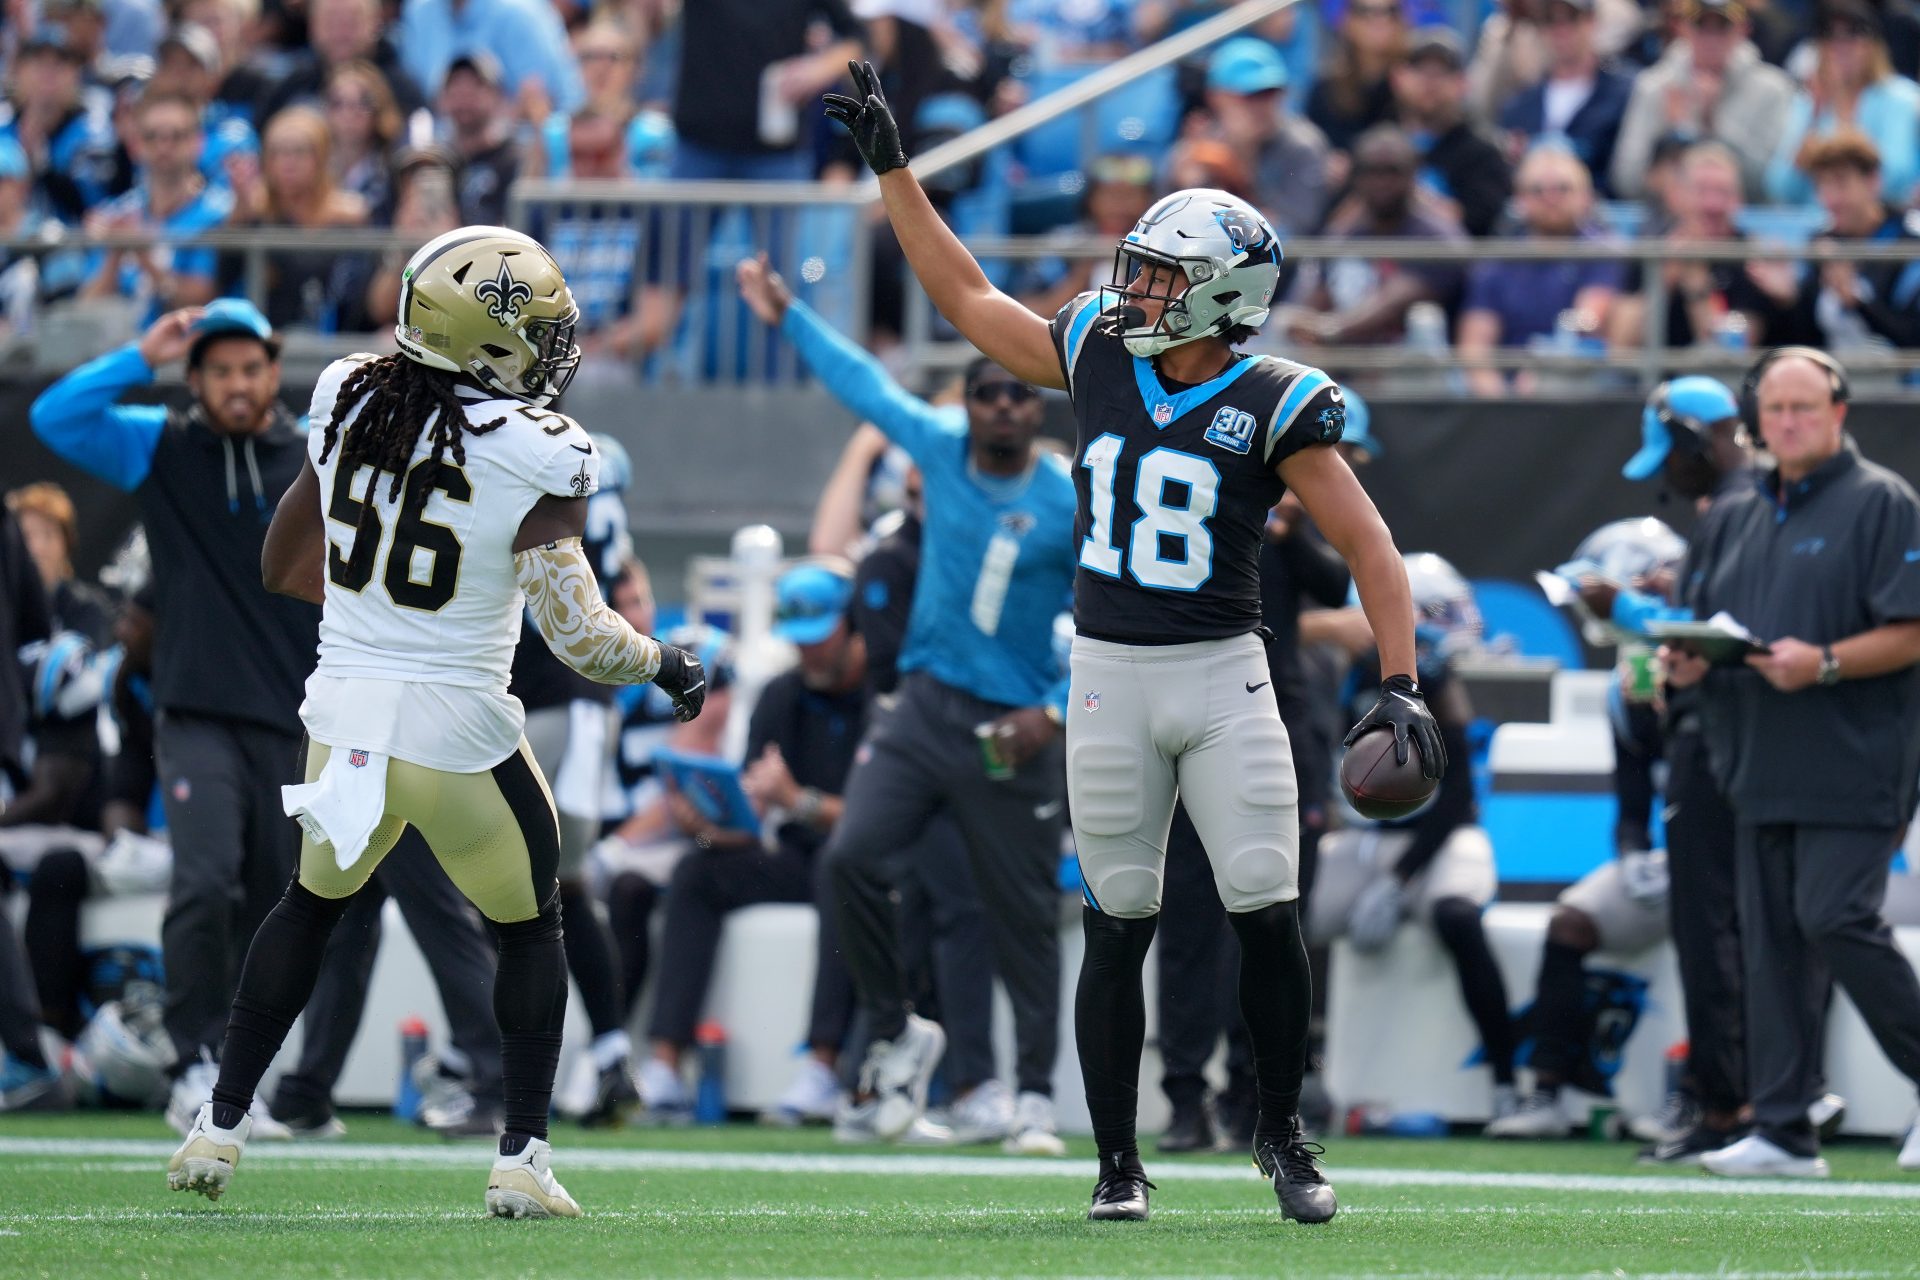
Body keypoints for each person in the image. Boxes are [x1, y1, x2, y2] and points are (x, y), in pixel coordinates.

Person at [824, 60, 1440, 1223]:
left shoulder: (1275, 399)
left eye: (1163, 275)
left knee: (1264, 901)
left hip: (1221, 673)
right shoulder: (1100, 346)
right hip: (1106, 674)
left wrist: (1400, 679)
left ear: (1223, 296)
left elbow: (1372, 547)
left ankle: (1281, 1129)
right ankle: (1117, 1159)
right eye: (1141, 271)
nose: (1137, 289)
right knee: (1117, 919)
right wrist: (898, 173)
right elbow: (966, 300)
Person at [163, 226, 706, 1215]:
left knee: (309, 904)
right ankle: (522, 1156)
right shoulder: (544, 450)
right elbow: (581, 635)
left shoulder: (345, 393)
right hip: (460, 729)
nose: (550, 351)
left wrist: (385, 622)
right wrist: (667, 662)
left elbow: (284, 565)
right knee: (530, 927)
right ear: (483, 339)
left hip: (342, 714)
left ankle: (221, 1121)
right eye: (534, 332)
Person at [739, 251, 1078, 1155]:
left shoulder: (1072, 500)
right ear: (965, 405)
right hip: (925, 707)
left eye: (1017, 393)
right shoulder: (938, 448)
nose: (1002, 406)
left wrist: (1059, 708)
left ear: (1039, 407)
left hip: (1016, 727)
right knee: (849, 859)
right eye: (985, 393)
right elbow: (863, 384)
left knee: (1021, 916)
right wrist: (789, 318)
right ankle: (894, 1032)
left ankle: (1035, 1092)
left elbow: (1120, 616)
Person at [29, 300, 313, 1135]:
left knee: (274, 901)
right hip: (193, 714)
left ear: (272, 372)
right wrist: (137, 354)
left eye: (250, 368)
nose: (236, 384)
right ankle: (194, 1063)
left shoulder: (311, 457)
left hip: (295, 717)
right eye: (218, 370)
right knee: (203, 883)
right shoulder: (161, 443)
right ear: (193, 380)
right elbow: (55, 416)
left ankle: (239, 1074)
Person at [1670, 347, 1920, 1177]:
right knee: (1773, 941)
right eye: (1774, 410)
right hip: (1756, 758)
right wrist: (1688, 661)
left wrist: (1828, 662)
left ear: (1840, 411)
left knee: (1833, 918)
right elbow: (1710, 624)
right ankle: (1782, 1129)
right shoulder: (1739, 512)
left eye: (1804, 407)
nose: (1787, 422)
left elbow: (1912, 629)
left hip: (1856, 756)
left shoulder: (1884, 502)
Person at [639, 563, 863, 1125]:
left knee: (843, 868)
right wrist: (705, 825)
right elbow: (753, 812)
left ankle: (822, 1066)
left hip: (865, 865)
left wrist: (799, 801)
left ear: (853, 625)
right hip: (796, 856)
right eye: (800, 641)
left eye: (820, 638)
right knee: (697, 871)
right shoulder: (782, 695)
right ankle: (665, 1065)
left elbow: (880, 823)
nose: (808, 653)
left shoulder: (885, 699)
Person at [1308, 553, 1520, 1121]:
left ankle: (1507, 1081)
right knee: (1282, 916)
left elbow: (1455, 801)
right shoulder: (1338, 675)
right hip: (1364, 838)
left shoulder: (1437, 682)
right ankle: (1298, 1072)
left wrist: (1399, 883)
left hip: (1439, 840)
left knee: (1457, 914)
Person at [509, 429, 637, 1126]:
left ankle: (522, 1059)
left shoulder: (526, 447)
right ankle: (606, 1052)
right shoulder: (600, 454)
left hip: (548, 689)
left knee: (534, 888)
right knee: (554, 887)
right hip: (576, 697)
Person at [1456, 144, 1624, 395]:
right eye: (1537, 190)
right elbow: (1476, 341)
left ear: (1586, 196)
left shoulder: (1602, 251)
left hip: (1578, 374)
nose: (1551, 198)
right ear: (1519, 199)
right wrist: (1493, 391)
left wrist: (1550, 353)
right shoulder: (1498, 263)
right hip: (1511, 385)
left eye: (1563, 189)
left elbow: (1588, 318)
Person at [1280, 125, 1468, 348]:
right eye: (1371, 172)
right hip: (1346, 360)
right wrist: (1302, 324)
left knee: (1424, 319)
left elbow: (1397, 299)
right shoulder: (1344, 231)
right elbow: (1314, 297)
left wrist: (1331, 329)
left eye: (1392, 172)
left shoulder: (1437, 234)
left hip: (1409, 364)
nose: (1381, 183)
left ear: (1412, 174)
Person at [1748, 132, 1920, 352]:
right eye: (1822, 185)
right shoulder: (1821, 242)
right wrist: (1789, 300)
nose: (1831, 199)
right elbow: (1808, 339)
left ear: (1873, 181)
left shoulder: (1910, 241)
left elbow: (1912, 339)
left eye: (1841, 183)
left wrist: (1858, 302)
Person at [1610, 0, 1794, 200]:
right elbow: (1626, 179)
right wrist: (1673, 137)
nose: (1711, 39)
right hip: (1668, 221)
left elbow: (1766, 185)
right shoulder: (1654, 86)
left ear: (1743, 29)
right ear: (1682, 28)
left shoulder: (1773, 90)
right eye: (1701, 26)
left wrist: (1712, 124)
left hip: (1741, 220)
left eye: (1722, 28)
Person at [1607, 142, 1780, 350]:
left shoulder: (1752, 258)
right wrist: (1665, 277)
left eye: (1723, 192)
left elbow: (1730, 352)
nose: (1712, 205)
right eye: (1701, 191)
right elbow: (1620, 344)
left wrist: (1697, 284)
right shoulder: (1651, 248)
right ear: (1676, 196)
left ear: (1739, 200)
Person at [77, 89, 231, 321]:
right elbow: (87, 306)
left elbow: (202, 302)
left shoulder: (219, 212)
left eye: (176, 136)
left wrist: (145, 257)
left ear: (198, 143)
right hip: (124, 349)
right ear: (135, 145)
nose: (163, 146)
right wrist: (114, 256)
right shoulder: (117, 213)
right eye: (151, 136)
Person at [1765, 0, 1920, 207]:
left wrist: (1841, 110)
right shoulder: (1809, 103)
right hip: (1815, 225)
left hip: (1878, 227)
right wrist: (1812, 123)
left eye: (1852, 35)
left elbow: (1895, 178)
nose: (1840, 47)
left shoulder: (1900, 97)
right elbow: (1778, 187)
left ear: (1872, 45)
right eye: (1830, 37)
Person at [1494, 0, 1635, 195]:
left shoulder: (1626, 93)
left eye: (1571, 18)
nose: (1561, 30)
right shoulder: (1518, 107)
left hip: (1604, 214)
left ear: (1592, 21)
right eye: (1550, 20)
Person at [1200, 36, 1332, 239]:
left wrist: (1244, 159)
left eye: (1269, 93)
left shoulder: (1303, 146)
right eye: (1250, 95)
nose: (1262, 105)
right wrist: (1186, 180)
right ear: (1216, 97)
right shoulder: (1201, 145)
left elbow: (1294, 230)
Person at [1389, 28, 1514, 237]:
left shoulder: (1483, 154)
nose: (1430, 81)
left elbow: (1484, 227)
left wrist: (1407, 199)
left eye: (1442, 72)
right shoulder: (1380, 146)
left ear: (1463, 84)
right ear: (1398, 78)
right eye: (1420, 70)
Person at [398, 0, 584, 117]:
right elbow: (417, 98)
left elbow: (562, 102)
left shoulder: (523, 12)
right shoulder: (419, 10)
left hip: (517, 156)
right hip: (440, 152)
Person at [1305, 0, 1406, 154]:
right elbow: (1311, 142)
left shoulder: (1415, 80)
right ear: (1347, 21)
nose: (1379, 19)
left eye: (1390, 11)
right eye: (1364, 11)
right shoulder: (1326, 88)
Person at [435, 53, 520, 227]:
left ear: (498, 96)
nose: (464, 95)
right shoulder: (434, 161)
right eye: (455, 87)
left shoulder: (513, 159)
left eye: (476, 86)